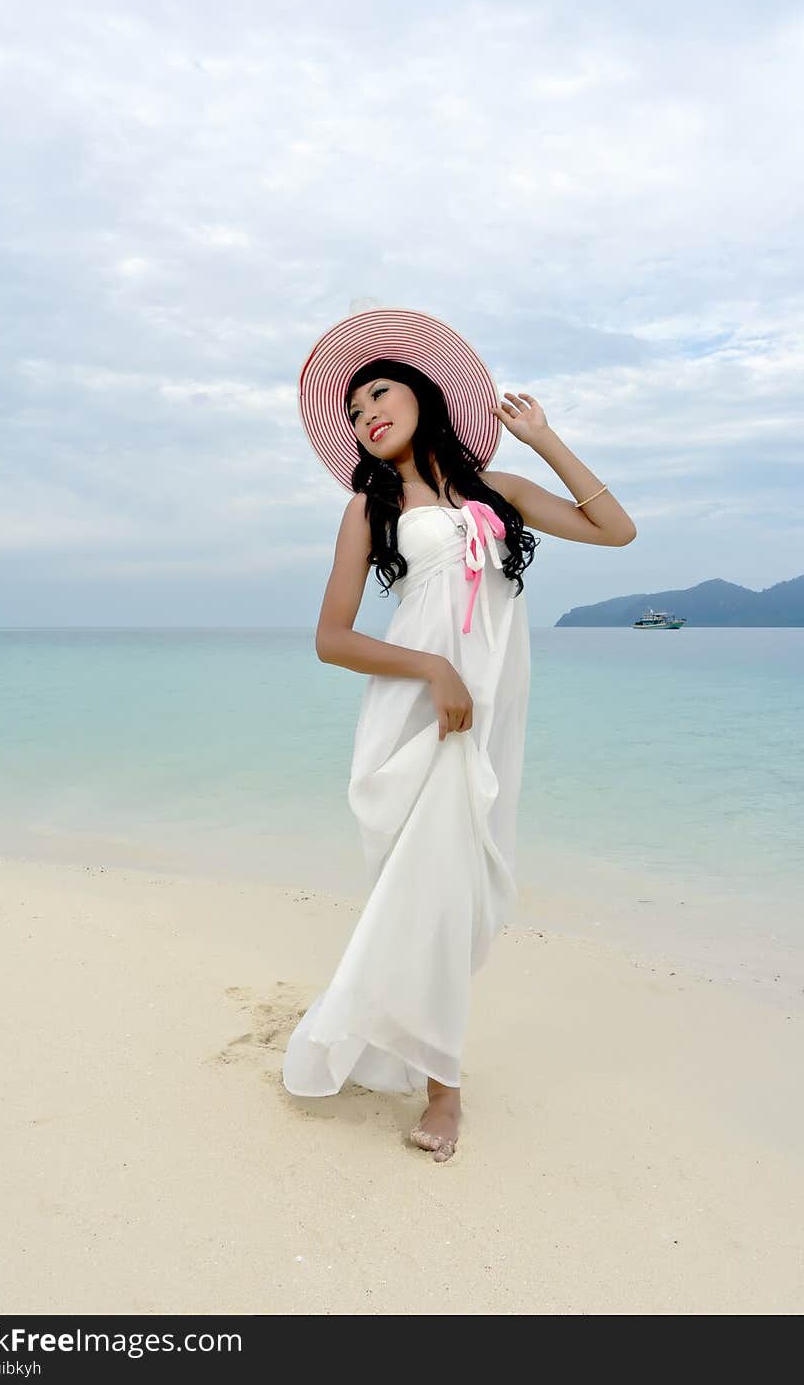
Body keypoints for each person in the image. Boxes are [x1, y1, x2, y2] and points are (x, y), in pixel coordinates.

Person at [282, 305, 637, 1163]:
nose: (368, 411)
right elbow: (333, 638)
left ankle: (402, 1039)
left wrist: (545, 440)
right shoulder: (371, 510)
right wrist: (436, 672)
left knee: (461, 890)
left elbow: (614, 530)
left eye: (381, 391)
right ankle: (445, 1091)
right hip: (421, 711)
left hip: (489, 712)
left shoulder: (495, 491)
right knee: (431, 890)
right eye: (356, 408)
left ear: (422, 397)